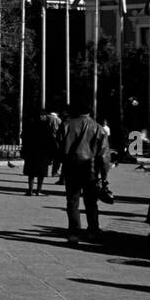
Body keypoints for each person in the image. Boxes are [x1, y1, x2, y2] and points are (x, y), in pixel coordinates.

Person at [58, 100, 110, 244]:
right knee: (91, 202)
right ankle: (93, 230)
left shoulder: (66, 124)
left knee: (72, 201)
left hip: (71, 168)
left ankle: (74, 233)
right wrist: (104, 175)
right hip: (90, 169)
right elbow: (104, 155)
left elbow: (59, 147)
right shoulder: (99, 128)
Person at [21, 111, 53, 196]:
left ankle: (30, 190)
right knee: (41, 173)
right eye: (44, 116)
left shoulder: (30, 126)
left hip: (31, 152)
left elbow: (23, 137)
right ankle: (38, 190)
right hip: (43, 153)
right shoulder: (47, 127)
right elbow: (50, 141)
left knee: (31, 173)